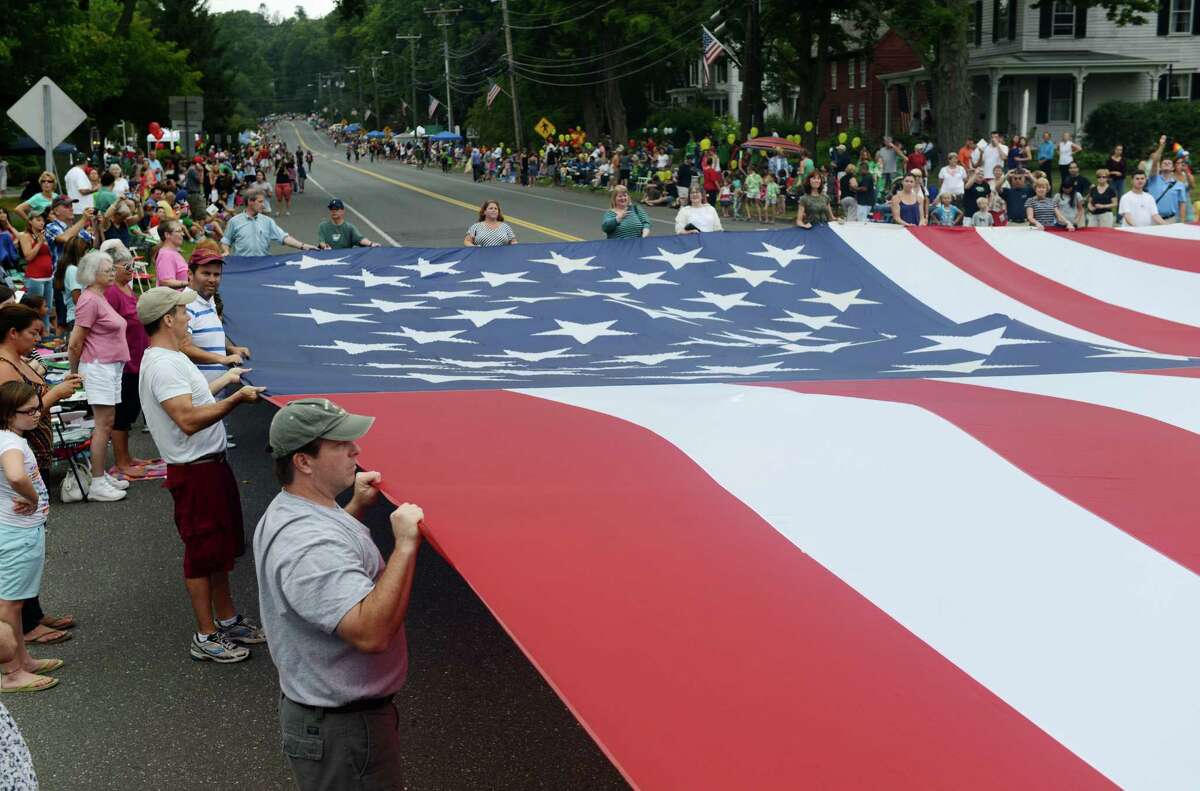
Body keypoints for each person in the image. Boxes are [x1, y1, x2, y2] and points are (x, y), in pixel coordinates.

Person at [255, 398, 424, 790]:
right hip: (343, 731)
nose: (356, 450)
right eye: (341, 443)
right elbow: (371, 632)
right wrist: (405, 546)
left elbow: (325, 572)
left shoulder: (298, 510)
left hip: (336, 721)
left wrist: (355, 507)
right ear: (304, 461)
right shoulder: (306, 543)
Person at [136, 286, 266, 663]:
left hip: (210, 467)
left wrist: (225, 382)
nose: (189, 317)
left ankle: (226, 619)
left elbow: (191, 400)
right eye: (183, 311)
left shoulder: (171, 358)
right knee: (201, 552)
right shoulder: (163, 363)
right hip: (195, 472)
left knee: (220, 550)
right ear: (168, 319)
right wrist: (236, 399)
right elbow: (187, 418)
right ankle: (206, 635)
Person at [0, 305, 82, 648]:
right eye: (33, 332)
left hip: (35, 453)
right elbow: (13, 412)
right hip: (23, 460)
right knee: (24, 543)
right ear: (12, 333)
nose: (40, 337)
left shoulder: (17, 360)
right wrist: (54, 395)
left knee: (34, 542)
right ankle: (26, 624)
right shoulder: (3, 368)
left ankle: (32, 610)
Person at [0, 380, 57, 692]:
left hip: (16, 531)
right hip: (18, 534)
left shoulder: (8, 438)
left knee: (15, 604)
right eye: (29, 411)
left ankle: (22, 660)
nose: (37, 415)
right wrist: (33, 498)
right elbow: (15, 474)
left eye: (38, 407)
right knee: (9, 605)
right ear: (9, 414)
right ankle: (12, 672)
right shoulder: (10, 443)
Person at [67, 251, 131, 502]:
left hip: (109, 366)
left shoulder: (99, 297)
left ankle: (101, 476)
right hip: (98, 367)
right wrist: (73, 375)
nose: (113, 273)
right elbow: (75, 342)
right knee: (103, 425)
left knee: (107, 422)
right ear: (93, 275)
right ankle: (97, 482)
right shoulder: (89, 300)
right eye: (108, 270)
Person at [104, 244, 152, 478]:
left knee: (130, 411)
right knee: (122, 415)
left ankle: (128, 456)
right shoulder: (112, 292)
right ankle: (122, 461)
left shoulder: (126, 289)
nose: (132, 270)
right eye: (127, 266)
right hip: (124, 363)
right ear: (113, 268)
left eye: (132, 265)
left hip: (137, 358)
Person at [221, 189, 316, 257]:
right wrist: (226, 251)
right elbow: (226, 241)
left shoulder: (268, 221)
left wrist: (303, 246)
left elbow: (284, 237)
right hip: (242, 265)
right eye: (260, 202)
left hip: (263, 264)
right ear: (250, 202)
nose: (263, 205)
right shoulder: (234, 221)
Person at [17, 212, 55, 334]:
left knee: (47, 310)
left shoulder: (46, 234)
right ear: (30, 221)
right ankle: (36, 338)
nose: (41, 222)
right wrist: (39, 243)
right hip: (35, 278)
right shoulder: (25, 235)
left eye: (43, 220)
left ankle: (46, 337)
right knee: (36, 312)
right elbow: (28, 257)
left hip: (49, 277)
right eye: (38, 220)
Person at [1146, 135, 1190, 223]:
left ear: (1173, 168)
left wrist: (1182, 221)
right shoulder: (1153, 179)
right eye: (1164, 163)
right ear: (1160, 168)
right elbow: (1155, 161)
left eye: (1169, 163)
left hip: (1171, 219)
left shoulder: (1179, 185)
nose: (1166, 163)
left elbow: (1182, 204)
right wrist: (1161, 146)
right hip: (1153, 219)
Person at [153, 219, 190, 288]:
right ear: (167, 235)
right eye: (178, 231)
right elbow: (165, 282)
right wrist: (190, 283)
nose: (183, 234)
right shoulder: (166, 255)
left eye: (182, 231)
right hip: (174, 298)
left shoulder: (172, 252)